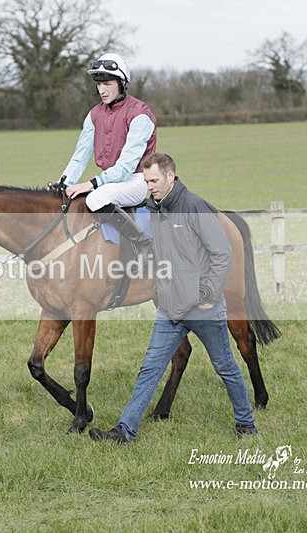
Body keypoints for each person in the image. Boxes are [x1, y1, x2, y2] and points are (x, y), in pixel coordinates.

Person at [89, 153, 258, 443]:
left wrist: (208, 293)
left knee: (226, 367)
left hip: (202, 308)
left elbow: (222, 253)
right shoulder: (153, 209)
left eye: (154, 180)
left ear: (171, 176)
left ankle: (246, 425)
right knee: (150, 369)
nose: (149, 186)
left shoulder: (195, 207)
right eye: (146, 181)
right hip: (169, 308)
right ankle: (124, 432)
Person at [54, 52, 157, 256]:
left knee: (94, 199)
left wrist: (91, 184)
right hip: (110, 182)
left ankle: (144, 244)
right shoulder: (94, 114)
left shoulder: (140, 115)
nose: (102, 90)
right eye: (99, 84)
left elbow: (125, 167)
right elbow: (79, 157)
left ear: (122, 83)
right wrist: (62, 183)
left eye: (107, 84)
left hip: (135, 180)